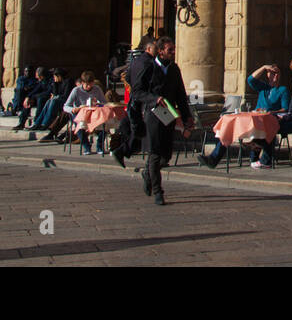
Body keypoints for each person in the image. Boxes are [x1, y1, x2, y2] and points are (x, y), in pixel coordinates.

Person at [130, 38, 197, 205]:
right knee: (155, 151)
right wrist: (154, 98)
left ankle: (148, 172)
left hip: (168, 113)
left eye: (173, 49)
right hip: (153, 112)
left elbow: (180, 94)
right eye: (170, 50)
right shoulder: (150, 67)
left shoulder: (174, 69)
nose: (173, 52)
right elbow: (137, 92)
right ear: (160, 51)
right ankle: (158, 191)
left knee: (166, 154)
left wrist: (187, 115)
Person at [111, 35, 157, 168]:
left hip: (135, 100)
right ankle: (123, 152)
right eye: (155, 47)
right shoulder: (149, 63)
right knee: (142, 130)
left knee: (139, 130)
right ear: (148, 48)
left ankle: (123, 151)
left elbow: (129, 78)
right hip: (144, 100)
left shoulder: (136, 61)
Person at [61, 71, 108, 154]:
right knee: (79, 125)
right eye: (87, 85)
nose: (89, 86)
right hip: (79, 113)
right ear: (82, 83)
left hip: (93, 113)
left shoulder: (97, 89)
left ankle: (99, 146)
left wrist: (98, 103)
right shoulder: (76, 90)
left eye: (91, 84)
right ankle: (86, 146)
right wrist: (73, 109)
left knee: (105, 124)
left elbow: (104, 103)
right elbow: (66, 106)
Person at [28, 68, 70, 133]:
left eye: (55, 77)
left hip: (65, 101)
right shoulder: (57, 83)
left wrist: (56, 96)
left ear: (59, 76)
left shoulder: (68, 82)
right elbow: (55, 93)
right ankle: (37, 123)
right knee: (49, 101)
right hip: (58, 100)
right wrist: (55, 84)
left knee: (53, 101)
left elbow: (66, 95)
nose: (54, 78)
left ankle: (45, 123)